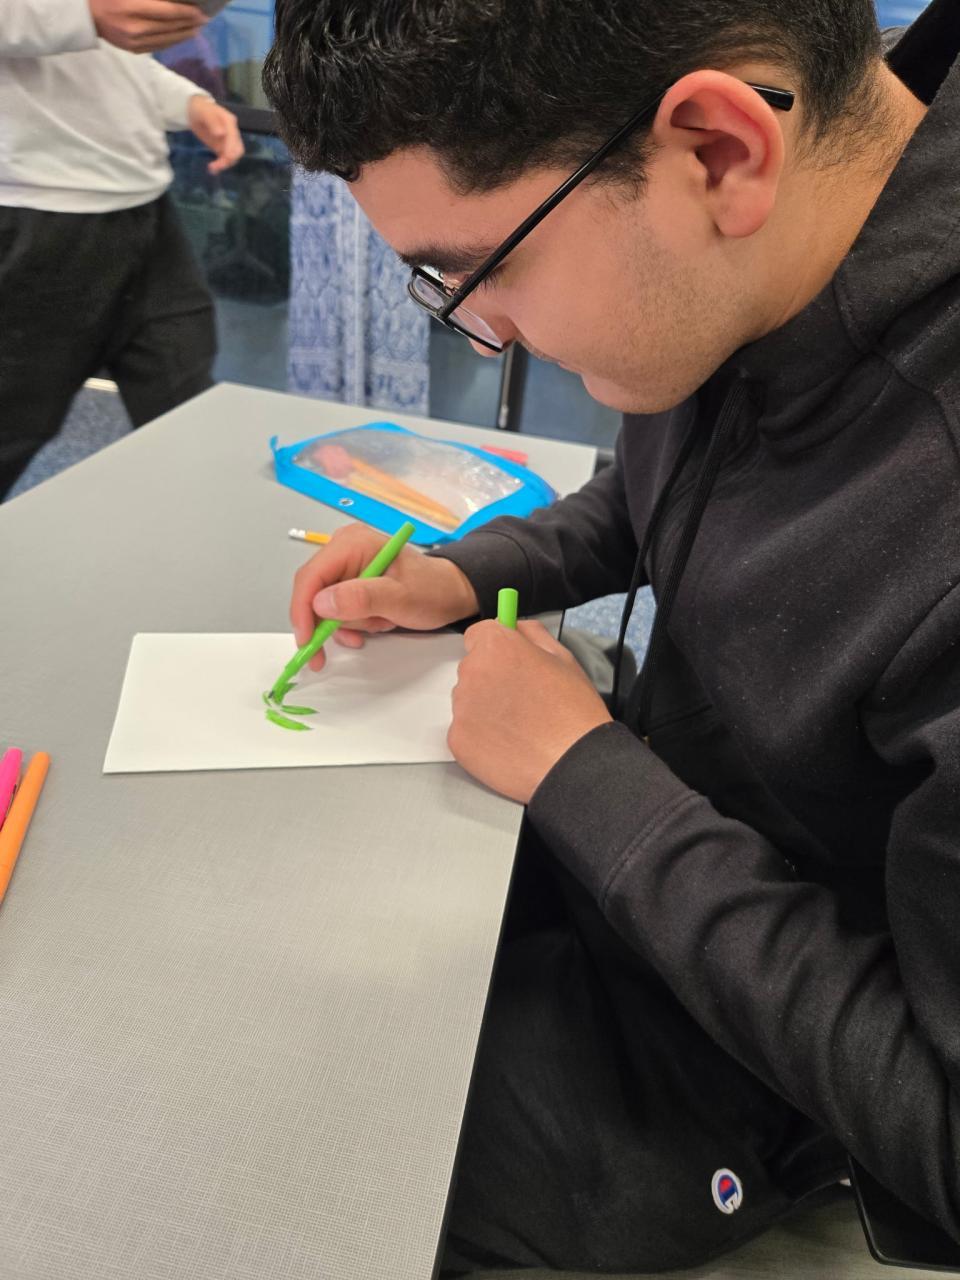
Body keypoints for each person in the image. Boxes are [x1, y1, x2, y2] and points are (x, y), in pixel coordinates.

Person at [264, 0, 960, 1272]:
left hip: (775, 1047)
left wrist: (587, 776)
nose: (489, 331)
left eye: (479, 272)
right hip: (656, 843)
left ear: (718, 151)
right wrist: (466, 571)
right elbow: (665, 484)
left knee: (319, 1183)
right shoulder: (775, 252)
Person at [0, 0, 244, 498]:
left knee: (186, 409)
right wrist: (83, 14)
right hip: (39, 209)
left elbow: (111, 65)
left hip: (146, 208)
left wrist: (189, 103)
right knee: (15, 424)